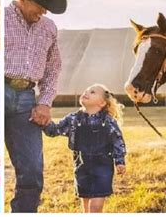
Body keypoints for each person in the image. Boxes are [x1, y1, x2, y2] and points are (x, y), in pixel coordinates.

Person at [4, 0, 66, 212]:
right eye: (40, 5)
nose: (43, 12)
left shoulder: (49, 28)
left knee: (31, 169)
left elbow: (53, 69)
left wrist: (46, 102)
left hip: (27, 100)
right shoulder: (0, 18)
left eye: (46, 7)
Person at [43, 84, 126, 213]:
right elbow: (55, 130)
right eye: (86, 90)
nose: (86, 92)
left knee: (96, 207)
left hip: (102, 169)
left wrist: (120, 161)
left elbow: (117, 141)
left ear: (102, 102)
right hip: (82, 167)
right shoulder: (73, 119)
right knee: (86, 206)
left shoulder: (108, 121)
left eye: (92, 92)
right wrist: (44, 122)